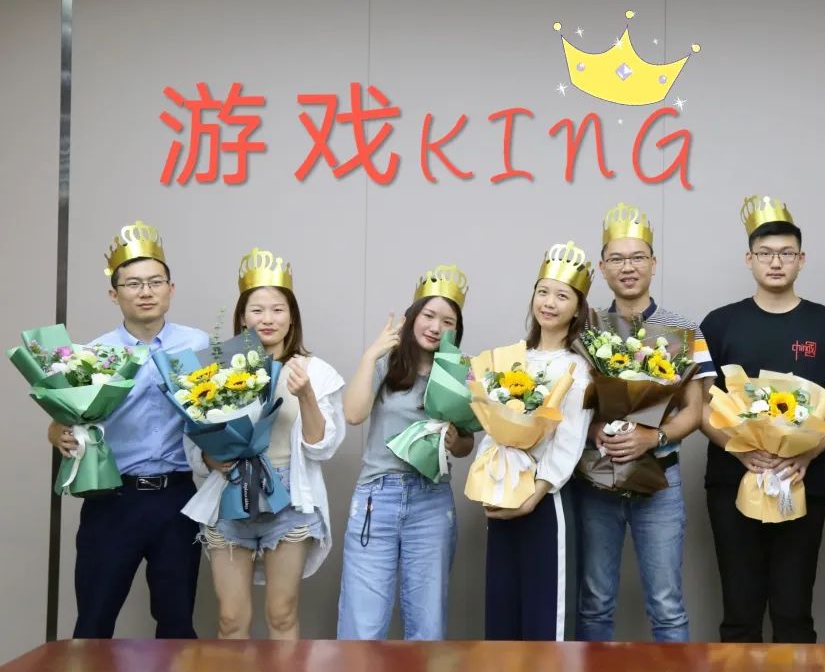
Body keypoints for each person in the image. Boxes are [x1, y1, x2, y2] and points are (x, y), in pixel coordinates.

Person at [699, 195, 825, 643]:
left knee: (793, 610)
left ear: (801, 260)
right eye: (765, 253)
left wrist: (806, 454)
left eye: (786, 253)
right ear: (749, 259)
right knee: (739, 611)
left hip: (804, 480)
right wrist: (740, 451)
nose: (776, 262)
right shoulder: (720, 323)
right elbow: (701, 404)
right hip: (733, 479)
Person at [47, 220, 207, 638]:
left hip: (178, 498)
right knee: (94, 622)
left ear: (171, 289)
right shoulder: (92, 354)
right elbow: (67, 415)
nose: (145, 291)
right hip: (112, 499)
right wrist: (56, 430)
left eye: (155, 282)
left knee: (177, 623)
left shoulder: (198, 345)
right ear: (114, 294)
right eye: (133, 284)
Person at [182, 247, 346, 639]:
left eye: (277, 309)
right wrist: (210, 457)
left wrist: (305, 394)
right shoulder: (217, 370)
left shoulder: (315, 371)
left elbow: (322, 446)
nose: (267, 319)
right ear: (242, 317)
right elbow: (193, 435)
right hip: (229, 493)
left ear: (292, 317)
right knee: (230, 619)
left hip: (289, 497)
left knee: (282, 614)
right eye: (257, 310)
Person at [576, 203, 714, 642]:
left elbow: (696, 409)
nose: (628, 267)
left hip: (661, 480)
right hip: (597, 478)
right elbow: (570, 404)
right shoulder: (586, 328)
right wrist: (595, 431)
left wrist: (654, 437)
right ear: (602, 268)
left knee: (667, 604)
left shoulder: (684, 330)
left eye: (637, 257)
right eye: (617, 259)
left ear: (654, 264)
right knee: (594, 601)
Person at [337, 265, 474, 640]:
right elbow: (353, 414)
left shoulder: (459, 373)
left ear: (456, 330)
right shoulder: (387, 362)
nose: (435, 326)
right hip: (376, 499)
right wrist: (370, 355)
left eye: (447, 321)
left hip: (431, 501)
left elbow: (466, 443)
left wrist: (455, 442)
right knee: (363, 626)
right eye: (429, 315)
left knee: (427, 627)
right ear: (413, 317)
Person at [482, 241, 594, 641]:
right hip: (504, 494)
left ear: (577, 308)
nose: (549, 303)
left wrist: (536, 493)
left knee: (546, 618)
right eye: (543, 292)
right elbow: (493, 427)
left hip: (547, 501)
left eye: (562, 296)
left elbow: (569, 441)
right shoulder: (512, 358)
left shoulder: (577, 367)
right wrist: (489, 483)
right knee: (502, 610)